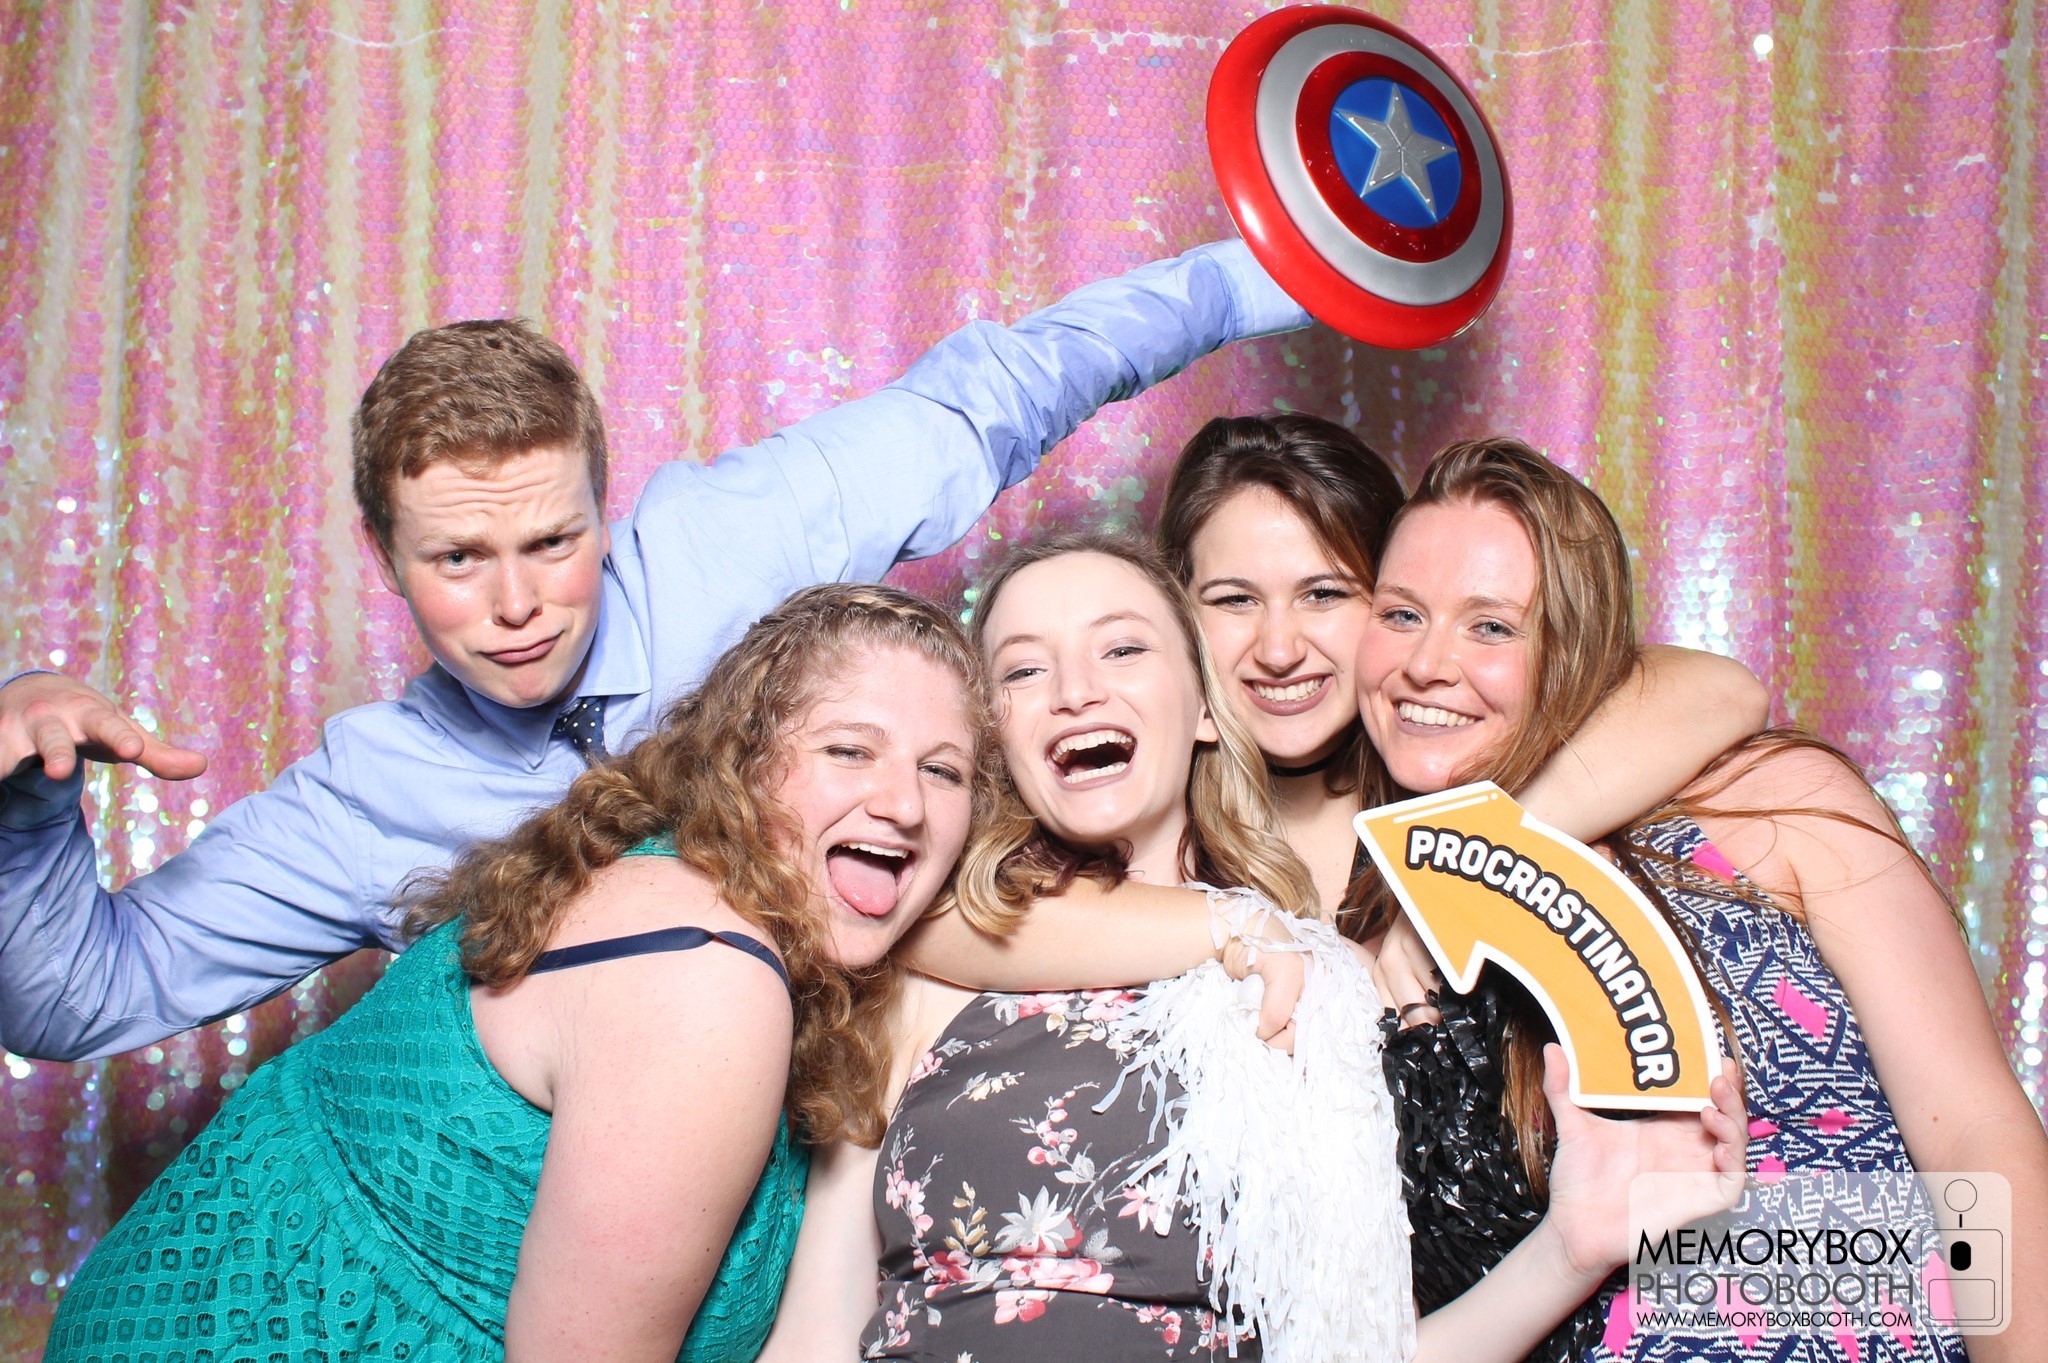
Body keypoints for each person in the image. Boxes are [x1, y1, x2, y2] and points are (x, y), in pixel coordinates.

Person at [0, 239, 1308, 1062]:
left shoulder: (722, 541)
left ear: (603, 504)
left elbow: (993, 395)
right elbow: (80, 997)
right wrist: (25, 809)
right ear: (384, 556)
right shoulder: (363, 799)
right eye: (459, 560)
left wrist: (1268, 270)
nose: (519, 604)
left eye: (553, 541)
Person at [763, 536, 1749, 1363]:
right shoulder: (925, 966)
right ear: (993, 739)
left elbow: (1357, 1348)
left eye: (1122, 649)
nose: (1073, 691)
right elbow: (815, 1331)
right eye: (1023, 669)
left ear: (1204, 707)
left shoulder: (1317, 986)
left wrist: (1569, 1250)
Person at [45, 583, 997, 1363]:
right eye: (849, 749)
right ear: (742, 762)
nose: (905, 804)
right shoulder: (704, 975)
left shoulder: (667, 879)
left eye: (944, 771)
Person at [1350, 437, 2048, 1363]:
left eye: (1492, 627)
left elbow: (1974, 1132)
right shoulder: (1371, 961)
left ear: (1573, 649)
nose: (1427, 663)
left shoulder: (1762, 804)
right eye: (1402, 614)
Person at [1154, 411, 1768, 918]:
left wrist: (1475, 871)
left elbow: (1724, 690)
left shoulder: (1461, 763)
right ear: (1176, 608)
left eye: (1324, 594)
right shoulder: (1137, 804)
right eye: (1233, 600)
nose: (1279, 651)